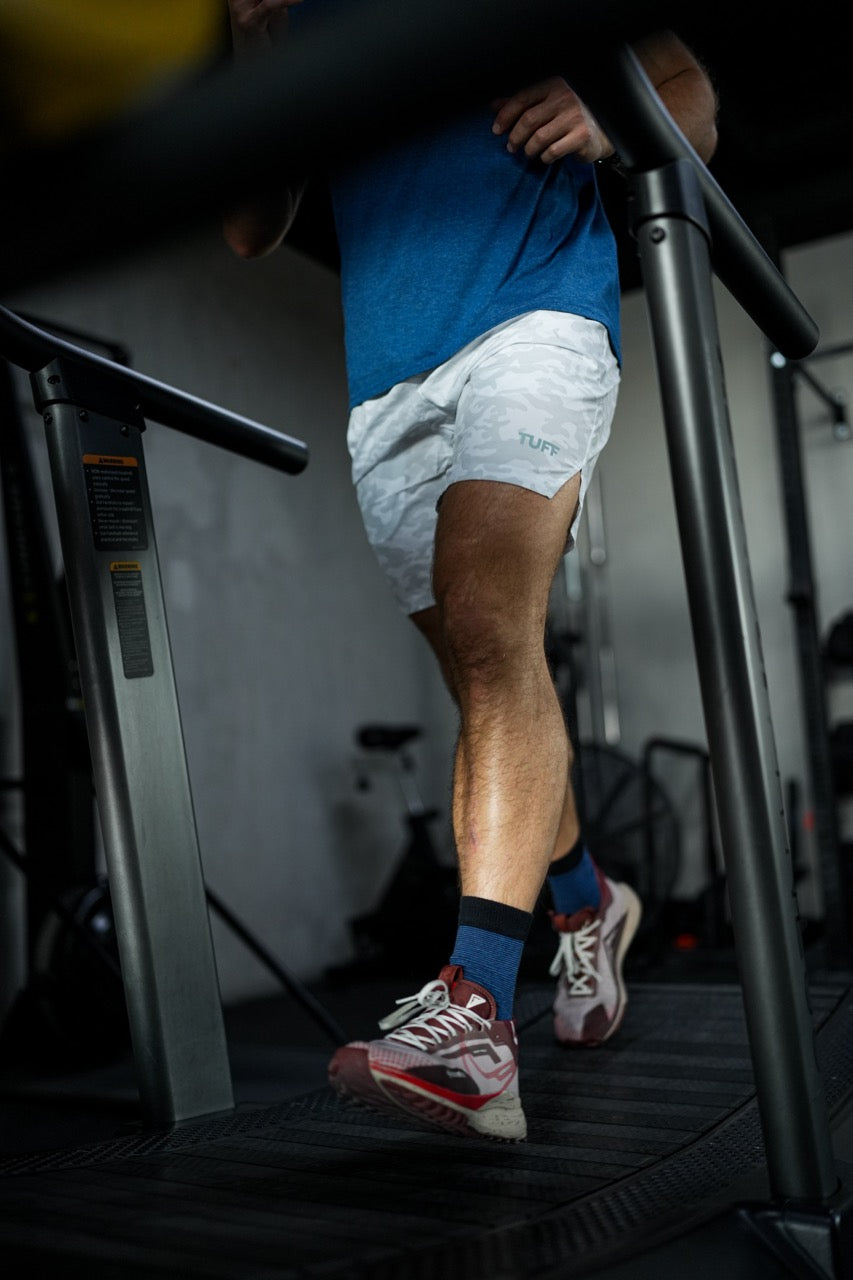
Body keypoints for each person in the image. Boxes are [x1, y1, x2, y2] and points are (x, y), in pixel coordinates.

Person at [224, 0, 718, 1142]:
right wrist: (253, 44)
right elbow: (253, 227)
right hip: (387, 380)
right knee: (486, 675)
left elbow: (688, 90)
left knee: (494, 631)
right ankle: (588, 905)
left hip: (534, 314)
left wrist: (611, 114)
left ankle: (477, 1019)